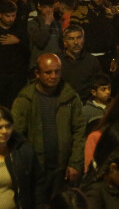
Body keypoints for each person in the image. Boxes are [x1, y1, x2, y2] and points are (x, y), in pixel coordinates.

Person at [11, 53, 86, 202]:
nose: (53, 76)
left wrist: (75, 162)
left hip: (63, 169)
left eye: (57, 71)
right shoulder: (25, 100)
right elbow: (17, 136)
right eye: (48, 72)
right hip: (36, 169)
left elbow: (79, 131)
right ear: (37, 73)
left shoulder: (70, 97)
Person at [0, 104, 43, 209]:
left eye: (8, 126)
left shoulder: (22, 150)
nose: (4, 131)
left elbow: (38, 184)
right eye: (0, 127)